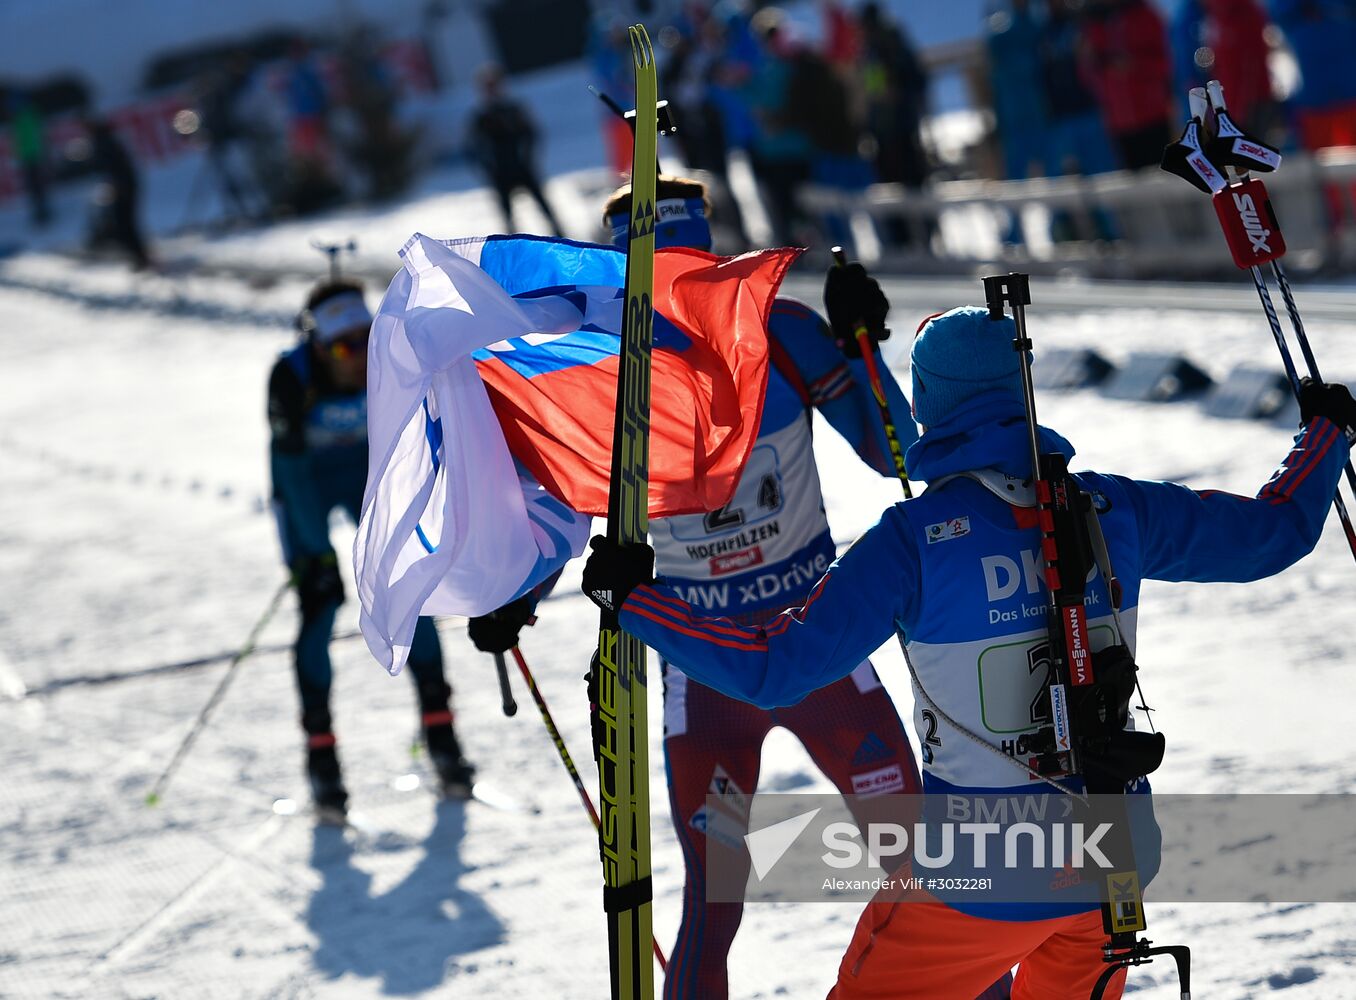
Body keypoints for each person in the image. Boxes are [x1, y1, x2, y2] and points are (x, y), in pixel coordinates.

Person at [581, 291, 1356, 997]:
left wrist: (637, 599)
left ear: (934, 408)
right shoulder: (1113, 506)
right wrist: (1324, 435)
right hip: (1115, 855)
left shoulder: (913, 543)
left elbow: (779, 668)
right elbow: (1272, 536)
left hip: (979, 875)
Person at [579, 175, 1010, 1000]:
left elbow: (894, 453)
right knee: (719, 904)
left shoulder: (779, 327)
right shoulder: (605, 366)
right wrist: (507, 588)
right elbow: (554, 494)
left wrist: (860, 347)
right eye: (658, 266)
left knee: (929, 874)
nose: (678, 280)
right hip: (720, 665)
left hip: (807, 646)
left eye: (691, 261)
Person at [268, 280, 474, 818]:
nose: (357, 358)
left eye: (365, 341)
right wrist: (315, 557)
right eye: (342, 347)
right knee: (320, 604)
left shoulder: (390, 357)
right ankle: (322, 758)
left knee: (406, 590)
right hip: (308, 485)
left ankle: (442, 736)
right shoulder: (291, 377)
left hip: (369, 476)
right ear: (317, 345)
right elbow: (289, 472)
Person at [468, 65, 563, 236]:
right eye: (488, 86)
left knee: (545, 208)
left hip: (522, 167)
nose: (493, 90)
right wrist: (489, 168)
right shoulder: (481, 118)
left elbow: (531, 134)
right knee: (508, 217)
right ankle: (514, 250)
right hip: (501, 172)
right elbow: (474, 148)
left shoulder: (514, 110)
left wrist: (527, 157)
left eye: (495, 85)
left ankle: (562, 240)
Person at [85, 118, 151, 270]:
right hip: (124, 185)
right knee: (125, 223)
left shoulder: (103, 142)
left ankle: (140, 257)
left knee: (125, 223)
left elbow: (114, 167)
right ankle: (139, 256)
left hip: (123, 186)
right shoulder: (107, 140)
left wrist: (118, 186)